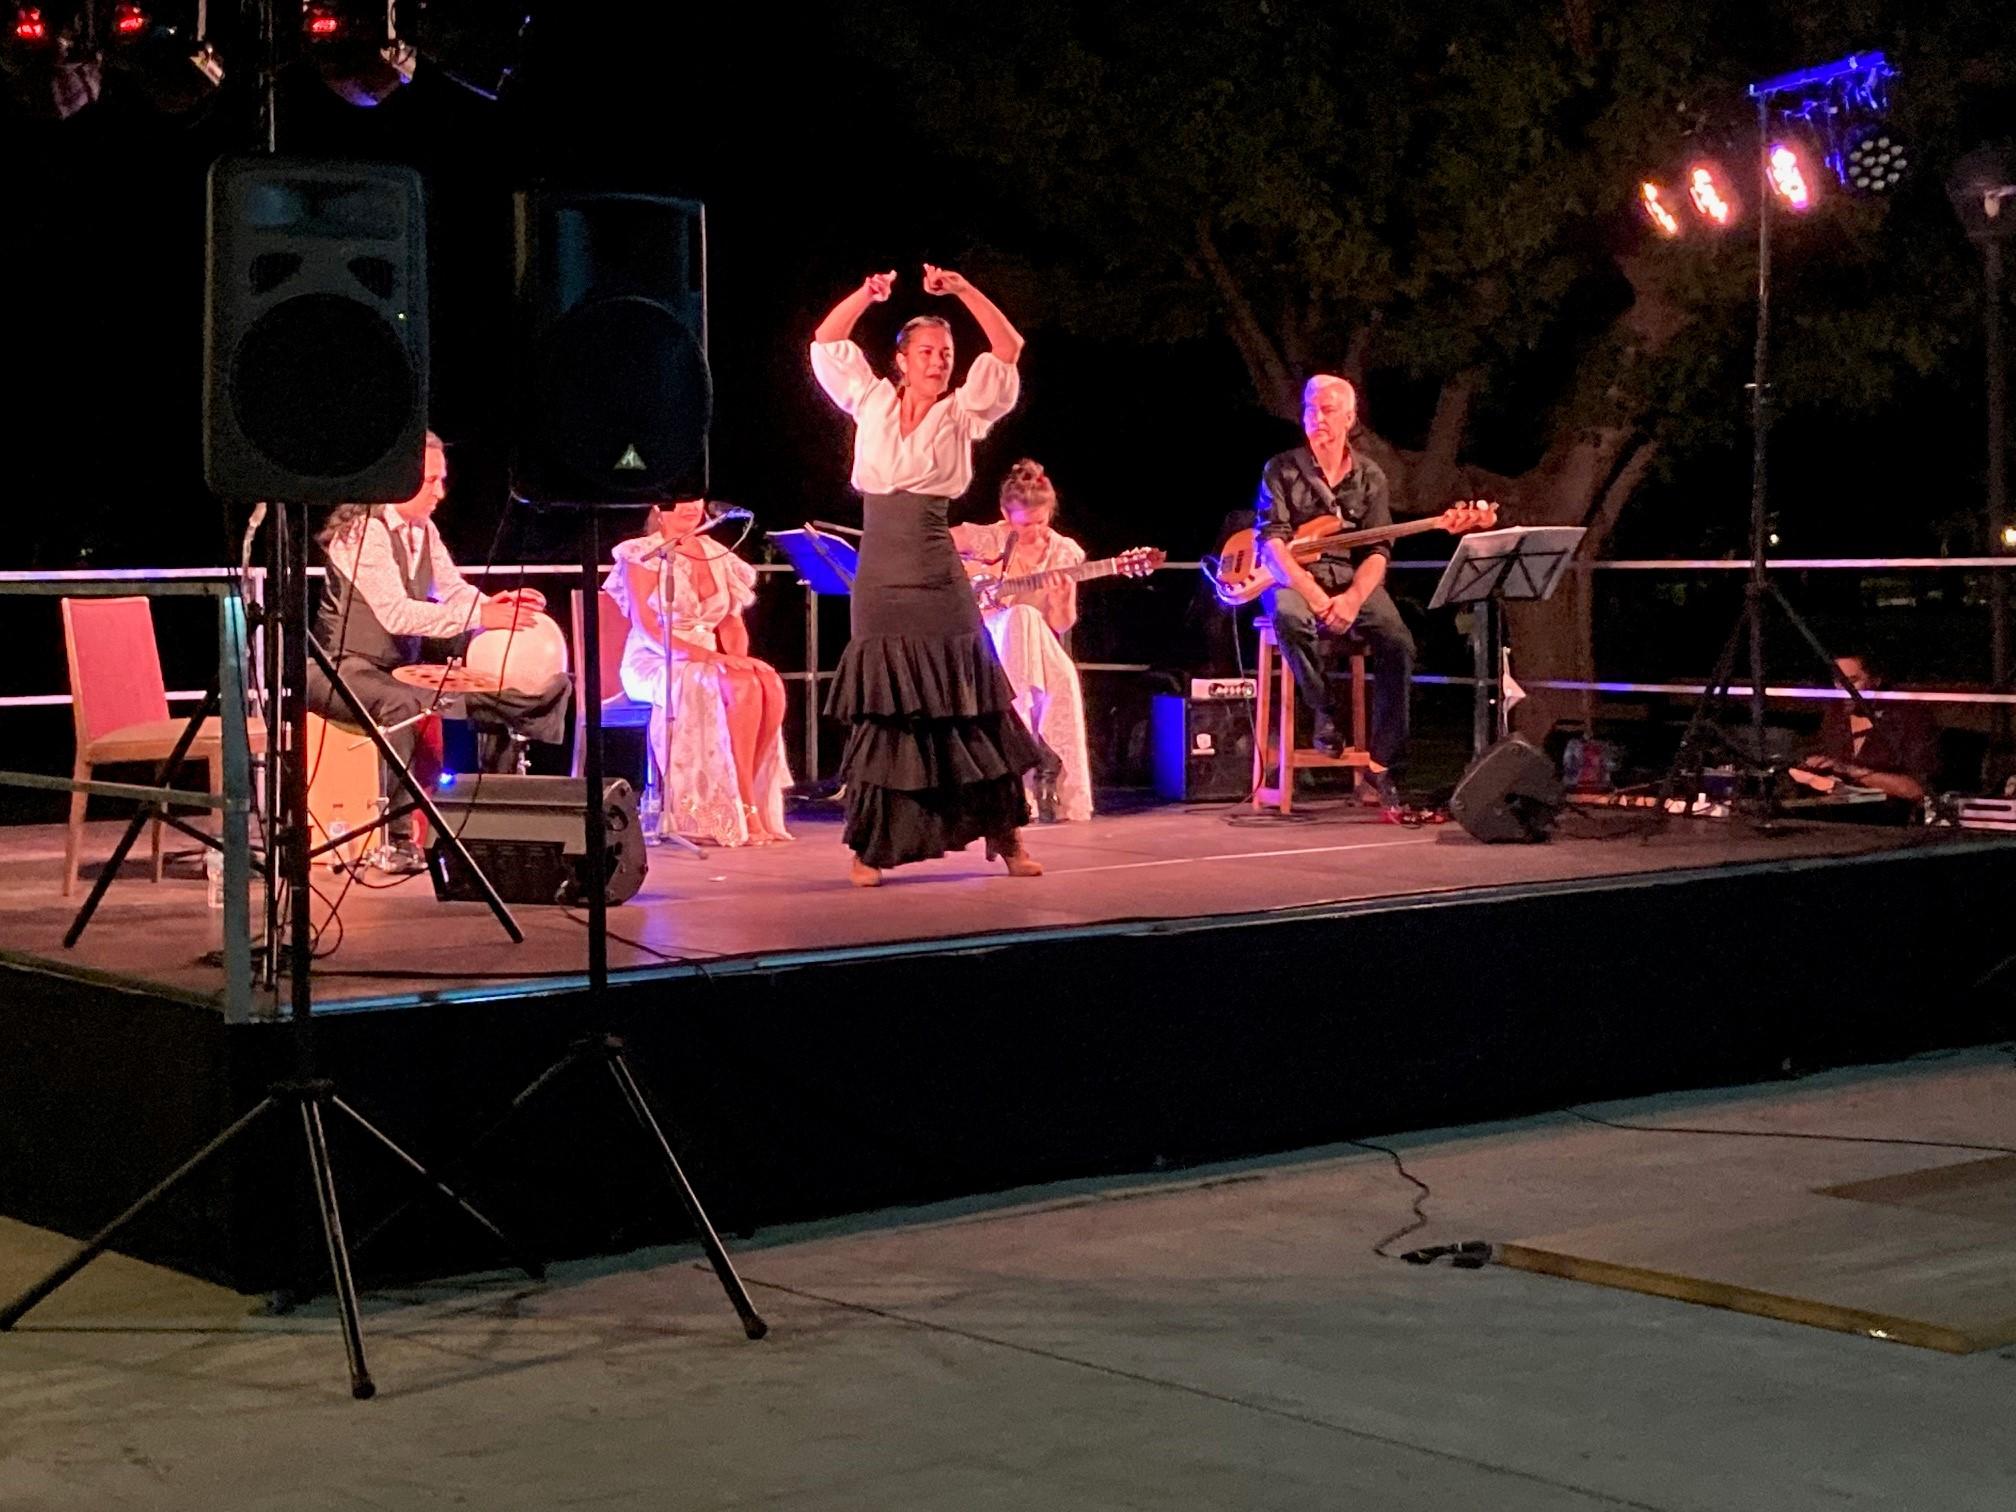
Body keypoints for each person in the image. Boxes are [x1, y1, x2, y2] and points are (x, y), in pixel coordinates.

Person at [810, 264, 1047, 887]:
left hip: (937, 571)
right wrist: (865, 294)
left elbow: (1008, 349)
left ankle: (1007, 834)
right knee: (887, 712)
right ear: (901, 361)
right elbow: (827, 342)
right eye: (928, 352)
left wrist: (965, 291)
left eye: (946, 353)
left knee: (971, 701)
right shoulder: (871, 401)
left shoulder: (964, 413)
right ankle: (872, 845)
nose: (940, 361)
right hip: (881, 577)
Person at [310, 432, 568, 873]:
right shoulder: (361, 534)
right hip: (338, 668)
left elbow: (450, 591)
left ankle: (502, 813)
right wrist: (480, 616)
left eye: (441, 480)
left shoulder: (422, 531)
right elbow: (397, 616)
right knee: (401, 704)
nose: (440, 493)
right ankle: (398, 838)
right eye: (431, 481)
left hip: (397, 671)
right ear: (396, 479)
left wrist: (494, 604)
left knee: (514, 690)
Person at [1257, 375, 1415, 813]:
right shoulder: (1281, 468)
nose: (1317, 418)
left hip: (1350, 577)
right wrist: (1312, 592)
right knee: (1290, 616)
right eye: (1310, 409)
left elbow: (1379, 549)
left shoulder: (1370, 475)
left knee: (1398, 640)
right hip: (1295, 575)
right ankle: (1324, 712)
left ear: (1350, 418)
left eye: (1327, 410)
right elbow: (1271, 542)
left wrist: (1349, 599)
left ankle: (1383, 765)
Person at [605, 500, 792, 846]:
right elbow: (646, 629)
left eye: (695, 499)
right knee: (739, 687)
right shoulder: (642, 554)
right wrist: (709, 658)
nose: (689, 507)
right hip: (656, 657)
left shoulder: (715, 553)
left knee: (766, 681)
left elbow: (731, 621)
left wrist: (736, 659)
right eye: (678, 501)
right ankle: (741, 811)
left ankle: (753, 805)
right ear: (658, 509)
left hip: (707, 655)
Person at [952, 459, 1091, 823]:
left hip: (1038, 647)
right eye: (1023, 524)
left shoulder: (1064, 553)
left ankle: (1065, 794)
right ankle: (1016, 786)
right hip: (987, 642)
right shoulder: (987, 538)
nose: (1032, 533)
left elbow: (1061, 624)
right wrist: (976, 573)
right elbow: (928, 545)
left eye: (1040, 523)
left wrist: (1061, 598)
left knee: (1030, 625)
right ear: (1004, 514)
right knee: (1018, 619)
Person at [1793, 652, 1939, 809]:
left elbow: (1917, 789)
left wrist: (1851, 772)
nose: (1842, 690)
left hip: (1891, 823)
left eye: (1852, 681)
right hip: (1837, 817)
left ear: (1876, 680)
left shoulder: (1910, 718)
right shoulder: (1835, 715)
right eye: (1838, 681)